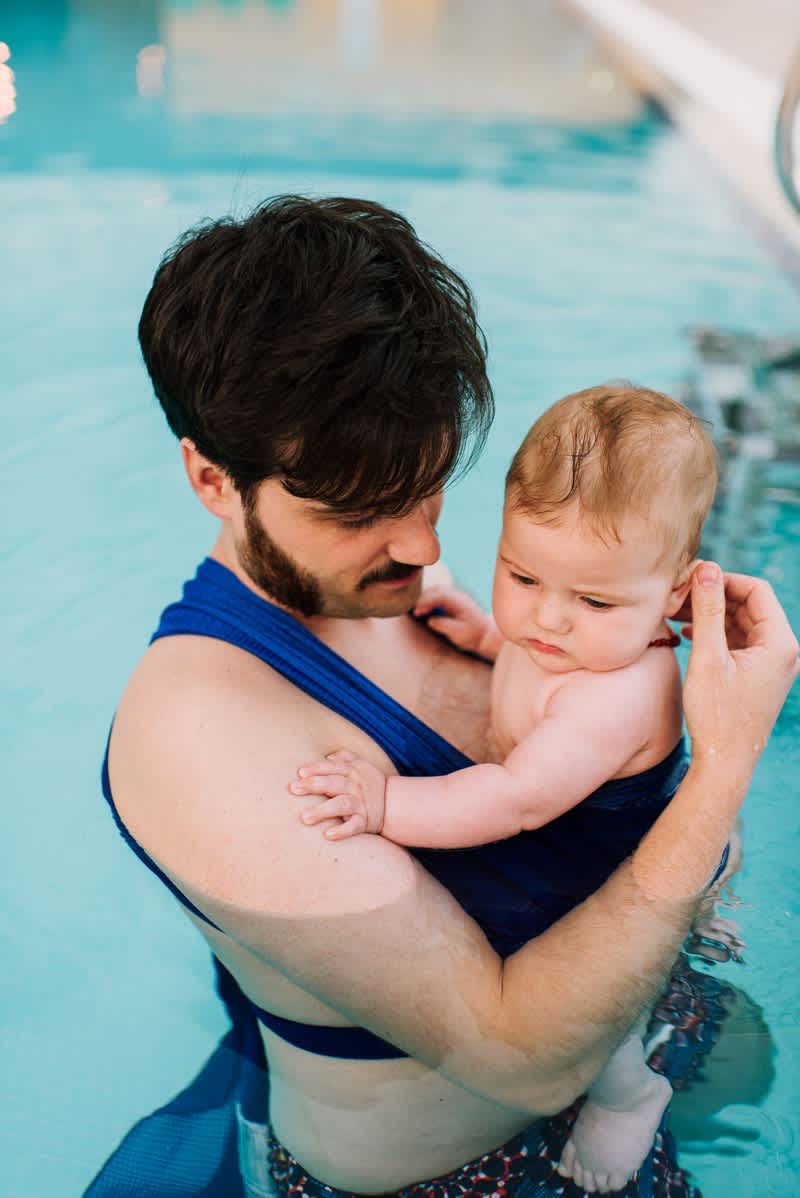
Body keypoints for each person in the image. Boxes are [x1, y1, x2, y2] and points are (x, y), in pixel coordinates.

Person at [88, 196, 799, 1198]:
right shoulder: (199, 732)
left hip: (642, 1012)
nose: (423, 549)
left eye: (425, 487)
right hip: (473, 1173)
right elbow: (520, 1055)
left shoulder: (384, 577)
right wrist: (723, 764)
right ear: (212, 478)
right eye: (358, 509)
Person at [290, 383, 744, 1192]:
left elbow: (514, 797)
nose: (550, 621)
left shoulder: (619, 692)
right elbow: (537, 642)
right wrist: (487, 628)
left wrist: (386, 804)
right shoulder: (570, 637)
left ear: (674, 598)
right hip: (568, 824)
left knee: (601, 1015)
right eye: (522, 575)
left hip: (595, 872)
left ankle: (631, 1098)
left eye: (594, 599)